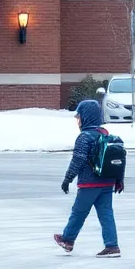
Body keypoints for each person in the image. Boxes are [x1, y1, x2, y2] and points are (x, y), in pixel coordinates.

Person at [54, 99, 123, 256]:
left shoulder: (84, 137)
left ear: (85, 117)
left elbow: (78, 160)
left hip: (89, 184)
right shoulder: (105, 135)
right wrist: (119, 180)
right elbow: (117, 160)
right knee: (106, 214)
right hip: (107, 182)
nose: (77, 121)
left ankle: (67, 240)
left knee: (78, 212)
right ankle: (112, 246)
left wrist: (67, 179)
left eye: (78, 117)